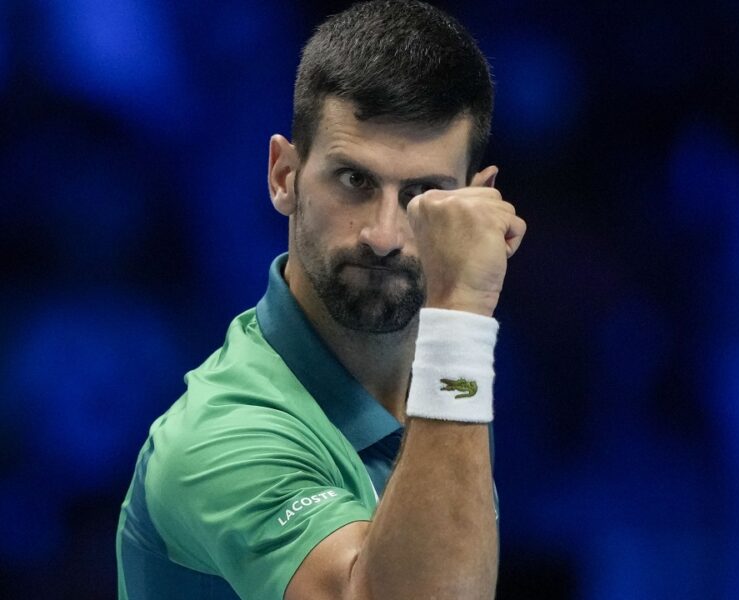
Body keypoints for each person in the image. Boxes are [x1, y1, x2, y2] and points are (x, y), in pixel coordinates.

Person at [115, 1, 526, 598]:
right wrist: (462, 312)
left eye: (423, 192)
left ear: (476, 202)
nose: (384, 235)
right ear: (283, 174)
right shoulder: (217, 436)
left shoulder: (436, 374)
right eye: (355, 181)